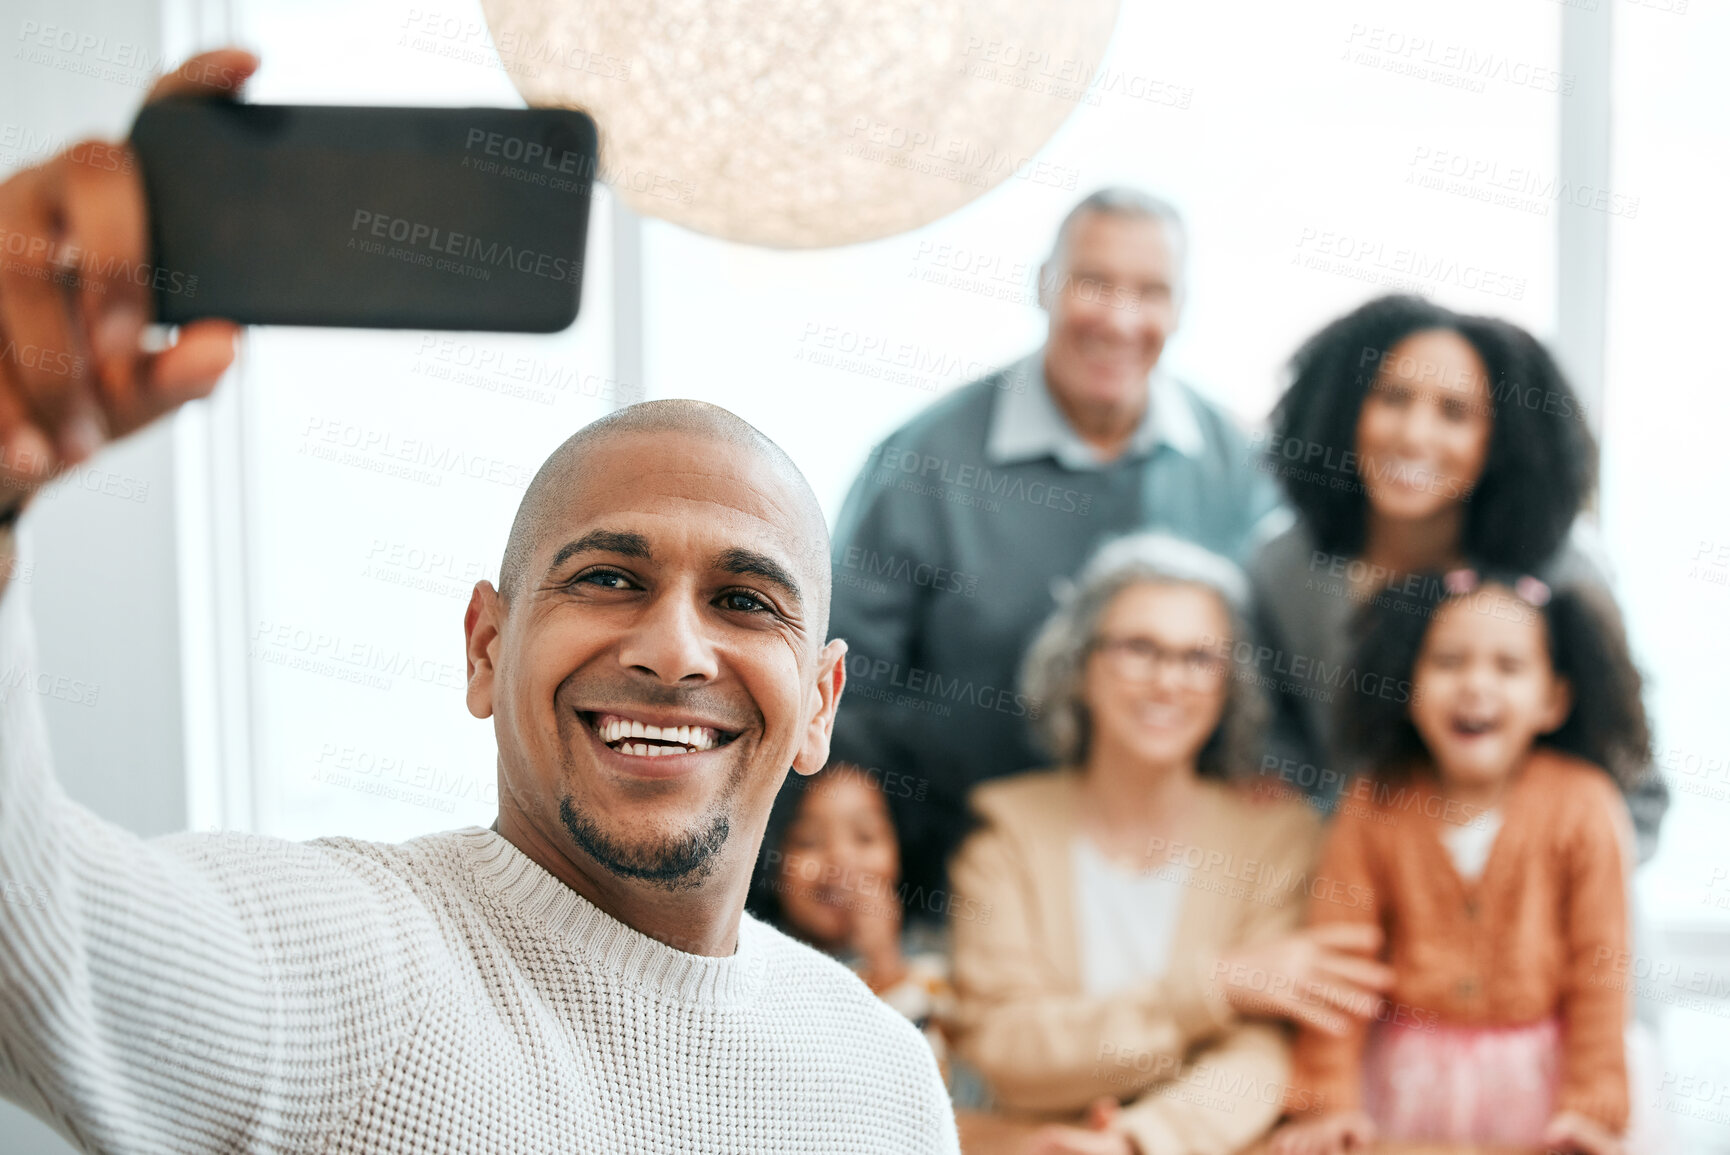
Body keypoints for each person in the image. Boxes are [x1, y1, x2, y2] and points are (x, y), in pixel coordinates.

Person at [0, 50, 957, 1154]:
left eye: (745, 600)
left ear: (822, 703)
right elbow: (36, 950)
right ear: (485, 648)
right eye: (608, 579)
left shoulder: (884, 1080)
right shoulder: (354, 967)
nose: (672, 649)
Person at [830, 189, 1282, 906]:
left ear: (1182, 307)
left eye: (1150, 291)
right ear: (1043, 284)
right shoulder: (922, 462)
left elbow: (1273, 669)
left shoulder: (1238, 465)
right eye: (1093, 282)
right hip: (957, 871)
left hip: (1180, 884)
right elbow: (844, 682)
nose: (1120, 317)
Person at [947, 534, 1392, 1155]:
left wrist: (1136, 1141)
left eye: (1199, 659)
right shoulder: (1006, 832)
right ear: (1079, 666)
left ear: (1228, 684)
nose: (1167, 682)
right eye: (1139, 648)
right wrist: (1216, 987)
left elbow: (1263, 1057)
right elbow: (1007, 1049)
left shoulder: (1279, 836)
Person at [1249, 294, 1668, 859]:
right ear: (1344, 409)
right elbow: (1275, 754)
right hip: (1350, 886)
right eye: (1393, 398)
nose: (1415, 435)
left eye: (1455, 412)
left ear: (1502, 440)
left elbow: (1635, 788)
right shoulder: (1286, 569)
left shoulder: (1564, 572)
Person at [1271, 569, 1655, 1155]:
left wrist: (1594, 1099)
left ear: (1553, 700)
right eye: (1449, 662)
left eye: (1509, 666)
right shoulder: (1373, 803)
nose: (1476, 684)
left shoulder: (1585, 805)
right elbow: (1338, 961)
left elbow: (1601, 966)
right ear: (1408, 688)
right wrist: (1328, 1098)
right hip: (1399, 1084)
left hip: (1547, 1086)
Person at [748, 763, 957, 1074]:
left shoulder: (935, 972)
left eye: (865, 837)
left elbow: (934, 1092)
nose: (841, 860)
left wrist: (885, 966)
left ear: (901, 849)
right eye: (808, 841)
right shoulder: (757, 974)